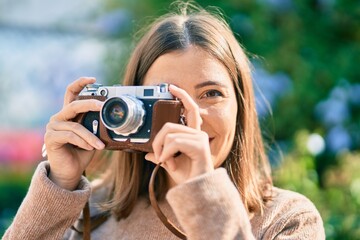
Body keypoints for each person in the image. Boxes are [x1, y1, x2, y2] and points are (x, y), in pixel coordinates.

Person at [3, 3, 325, 240]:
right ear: (131, 105)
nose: (191, 118)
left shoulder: (289, 219)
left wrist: (202, 192)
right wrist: (59, 184)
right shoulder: (96, 211)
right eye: (168, 98)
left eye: (211, 93)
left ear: (240, 105)